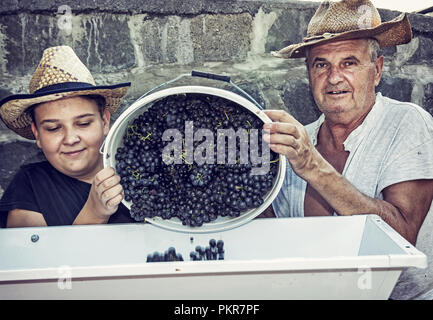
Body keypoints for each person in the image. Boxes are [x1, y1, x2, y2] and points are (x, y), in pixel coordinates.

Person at [264, 0, 433, 299]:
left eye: (349, 63)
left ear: (377, 70)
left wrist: (312, 166)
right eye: (321, 64)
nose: (334, 78)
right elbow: (268, 234)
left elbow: (402, 235)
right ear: (308, 74)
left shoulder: (407, 123)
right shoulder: (297, 143)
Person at [0, 45, 136, 227]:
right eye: (53, 128)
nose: (70, 139)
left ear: (104, 122)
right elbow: (34, 255)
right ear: (37, 134)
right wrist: (94, 214)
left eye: (83, 123)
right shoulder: (29, 186)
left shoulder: (140, 173)